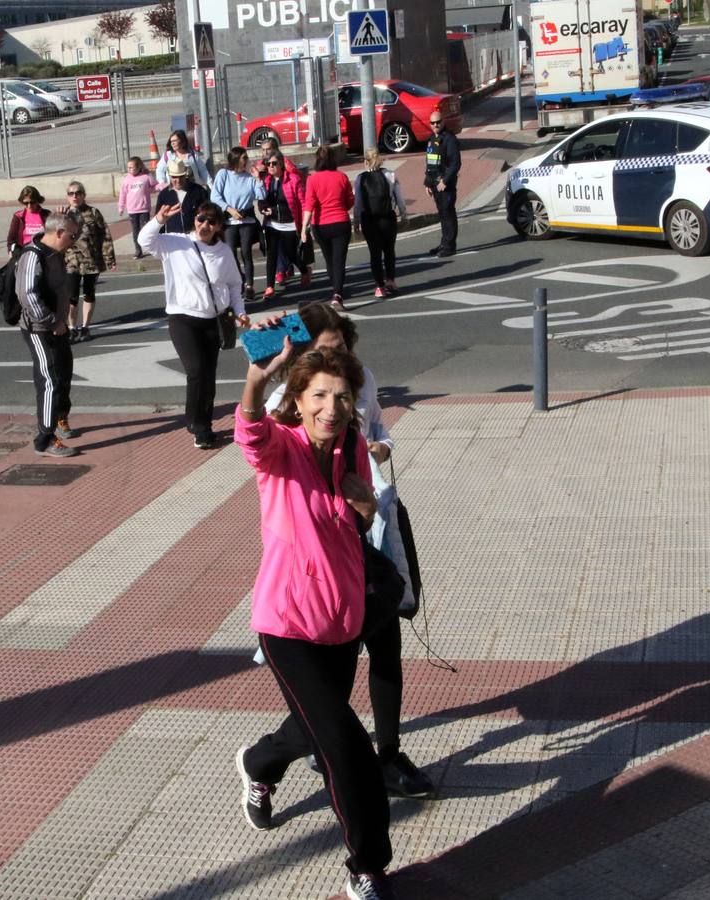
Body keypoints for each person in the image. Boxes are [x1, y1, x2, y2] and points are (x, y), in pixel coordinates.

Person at [235, 343, 396, 900]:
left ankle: (258, 762)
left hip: (341, 618)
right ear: (299, 402)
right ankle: (367, 867)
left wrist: (367, 508)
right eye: (320, 396)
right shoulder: (282, 450)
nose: (332, 407)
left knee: (311, 727)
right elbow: (250, 432)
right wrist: (257, 378)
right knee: (346, 749)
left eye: (342, 396)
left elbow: (357, 520)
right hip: (286, 623)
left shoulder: (351, 443)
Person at [259, 303, 435, 799]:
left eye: (344, 348)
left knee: (387, 639)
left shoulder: (363, 380)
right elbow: (261, 440)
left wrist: (380, 449)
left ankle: (389, 753)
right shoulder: (286, 398)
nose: (339, 365)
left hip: (375, 522)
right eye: (325, 352)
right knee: (325, 681)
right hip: (319, 550)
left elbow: (377, 429)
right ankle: (281, 753)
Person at [138, 201, 247, 449]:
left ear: (219, 226)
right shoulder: (176, 242)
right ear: (194, 220)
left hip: (212, 320)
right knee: (196, 370)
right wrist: (159, 220)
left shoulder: (224, 251)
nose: (205, 225)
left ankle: (198, 421)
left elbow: (233, 285)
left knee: (207, 376)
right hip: (182, 318)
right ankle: (200, 428)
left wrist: (239, 313)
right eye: (201, 219)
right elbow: (144, 242)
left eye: (211, 221)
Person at [16, 210, 83, 458]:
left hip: (58, 326)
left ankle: (59, 420)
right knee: (49, 380)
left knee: (64, 373)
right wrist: (52, 320)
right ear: (59, 233)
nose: (74, 240)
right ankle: (44, 439)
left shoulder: (56, 251)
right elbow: (27, 295)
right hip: (40, 329)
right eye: (72, 236)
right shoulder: (33, 256)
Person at [301, 144, 354, 309]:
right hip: (340, 222)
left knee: (329, 260)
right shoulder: (342, 177)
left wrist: (303, 229)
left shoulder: (312, 179)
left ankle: (335, 288)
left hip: (320, 225)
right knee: (339, 261)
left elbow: (309, 205)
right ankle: (337, 294)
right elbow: (349, 201)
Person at [211, 146, 266, 302]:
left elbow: (261, 195)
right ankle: (240, 278)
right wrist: (229, 209)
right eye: (244, 158)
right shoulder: (224, 174)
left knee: (246, 252)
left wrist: (257, 179)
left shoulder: (249, 177)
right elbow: (215, 196)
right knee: (230, 253)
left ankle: (249, 286)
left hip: (247, 220)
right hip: (229, 220)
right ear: (235, 159)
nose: (246, 160)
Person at [63, 181, 116, 344]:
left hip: (91, 261)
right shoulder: (63, 214)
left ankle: (85, 327)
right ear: (67, 197)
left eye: (78, 193)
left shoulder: (93, 212)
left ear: (83, 195)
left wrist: (110, 258)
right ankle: (72, 328)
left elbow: (105, 235)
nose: (75, 196)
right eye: (71, 194)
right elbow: (53, 237)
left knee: (89, 293)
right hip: (70, 261)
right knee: (70, 296)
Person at [353, 148, 408, 298]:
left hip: (369, 221)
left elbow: (357, 202)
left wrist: (356, 220)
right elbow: (399, 198)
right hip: (388, 219)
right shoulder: (390, 175)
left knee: (375, 254)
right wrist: (404, 215)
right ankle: (391, 280)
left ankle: (379, 286)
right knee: (389, 251)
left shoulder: (360, 178)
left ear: (366, 161)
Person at [259, 150, 311, 301]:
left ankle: (304, 269)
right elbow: (262, 200)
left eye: (274, 163)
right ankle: (270, 287)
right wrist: (264, 209)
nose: (271, 167)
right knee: (272, 255)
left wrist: (303, 227)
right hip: (272, 224)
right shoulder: (267, 181)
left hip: (289, 224)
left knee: (290, 254)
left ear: (281, 164)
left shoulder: (293, 179)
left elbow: (302, 202)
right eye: (268, 164)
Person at [258, 136, 300, 288]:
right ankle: (280, 271)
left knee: (287, 245)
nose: (265, 153)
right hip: (270, 208)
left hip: (286, 211)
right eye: (263, 150)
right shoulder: (260, 165)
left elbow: (294, 173)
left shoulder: (284, 162)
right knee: (273, 245)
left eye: (268, 149)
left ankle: (288, 267)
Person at [424, 110, 461, 258]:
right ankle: (444, 242)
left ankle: (450, 246)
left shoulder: (449, 139)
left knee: (448, 213)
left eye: (438, 122)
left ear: (443, 121)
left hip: (445, 184)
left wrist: (445, 180)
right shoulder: (432, 138)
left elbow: (455, 163)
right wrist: (427, 182)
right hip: (434, 183)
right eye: (432, 123)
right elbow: (430, 162)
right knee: (442, 214)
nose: (435, 125)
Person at [118, 156, 162, 260]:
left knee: (146, 229)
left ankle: (152, 247)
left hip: (144, 209)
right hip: (132, 210)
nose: (130, 170)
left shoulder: (146, 176)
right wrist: (121, 207)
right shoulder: (127, 179)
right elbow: (123, 194)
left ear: (139, 167)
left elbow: (154, 186)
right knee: (135, 230)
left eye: (132, 167)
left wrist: (161, 186)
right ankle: (138, 250)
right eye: (128, 168)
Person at [155, 159, 210, 235]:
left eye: (181, 176)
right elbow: (159, 220)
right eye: (174, 177)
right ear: (170, 176)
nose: (178, 180)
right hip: (173, 240)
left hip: (195, 239)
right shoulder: (164, 195)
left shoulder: (199, 192)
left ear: (185, 175)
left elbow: (208, 215)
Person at [6, 186, 50, 256]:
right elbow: (11, 239)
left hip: (42, 252)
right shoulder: (18, 216)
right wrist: (10, 251)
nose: (29, 206)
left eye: (32, 202)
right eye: (26, 203)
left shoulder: (47, 215)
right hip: (24, 252)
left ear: (37, 201)